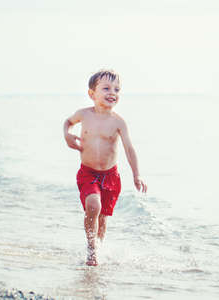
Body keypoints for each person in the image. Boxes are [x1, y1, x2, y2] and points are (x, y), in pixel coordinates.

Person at [63, 69, 147, 266]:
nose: (113, 92)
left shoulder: (118, 122)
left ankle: (98, 248)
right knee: (93, 206)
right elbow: (68, 122)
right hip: (88, 173)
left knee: (103, 218)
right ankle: (91, 249)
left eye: (117, 89)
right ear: (92, 94)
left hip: (110, 176)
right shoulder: (84, 115)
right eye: (106, 88)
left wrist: (137, 175)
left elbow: (129, 148)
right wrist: (67, 134)